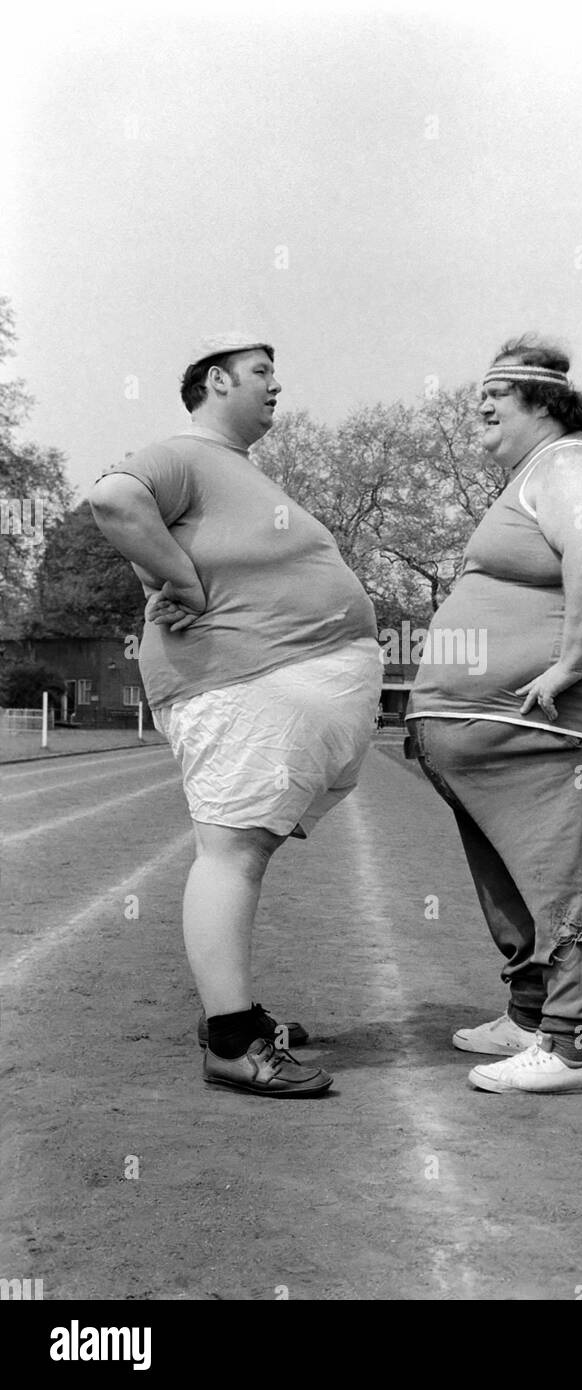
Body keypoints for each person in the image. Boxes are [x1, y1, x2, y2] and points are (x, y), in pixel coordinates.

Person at [89, 334, 381, 1097]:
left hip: (271, 681)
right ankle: (231, 1040)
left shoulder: (234, 470)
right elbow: (113, 499)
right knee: (232, 853)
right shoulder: (181, 453)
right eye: (262, 374)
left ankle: (233, 1005)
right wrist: (181, 579)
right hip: (237, 680)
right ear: (216, 382)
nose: (277, 387)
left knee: (248, 848)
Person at [405, 335, 582, 1094]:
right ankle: (528, 1013)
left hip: (572, 722)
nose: (478, 405)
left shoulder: (572, 463)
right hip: (504, 730)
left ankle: (572, 1046)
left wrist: (571, 660)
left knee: (571, 875)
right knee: (516, 874)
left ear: (544, 404)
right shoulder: (534, 474)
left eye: (496, 394)